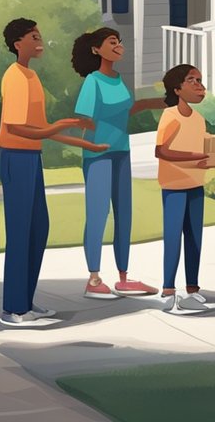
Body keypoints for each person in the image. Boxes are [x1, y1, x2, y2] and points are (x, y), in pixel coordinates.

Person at [0, 18, 108, 329]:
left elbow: (41, 129)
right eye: (34, 36)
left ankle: (25, 302)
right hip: (16, 158)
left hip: (31, 158)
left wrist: (84, 142)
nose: (40, 40)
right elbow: (16, 127)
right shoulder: (14, 77)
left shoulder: (31, 76)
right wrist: (64, 125)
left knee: (38, 229)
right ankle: (14, 309)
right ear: (18, 43)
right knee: (21, 233)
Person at [71, 27, 166, 299]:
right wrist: (92, 140)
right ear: (96, 49)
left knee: (124, 214)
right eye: (113, 42)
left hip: (122, 152)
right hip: (98, 154)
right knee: (99, 214)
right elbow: (83, 120)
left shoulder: (119, 79)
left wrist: (154, 103)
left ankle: (123, 278)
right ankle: (93, 279)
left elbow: (127, 109)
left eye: (120, 42)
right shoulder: (93, 81)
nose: (119, 46)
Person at [155, 64, 215, 313]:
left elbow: (205, 150)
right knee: (173, 238)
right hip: (175, 186)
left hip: (196, 184)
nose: (200, 86)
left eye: (200, 80)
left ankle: (192, 289)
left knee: (195, 239)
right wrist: (195, 157)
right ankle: (167, 290)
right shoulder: (170, 116)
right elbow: (161, 151)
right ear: (177, 89)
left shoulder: (198, 119)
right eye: (192, 80)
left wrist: (214, 158)